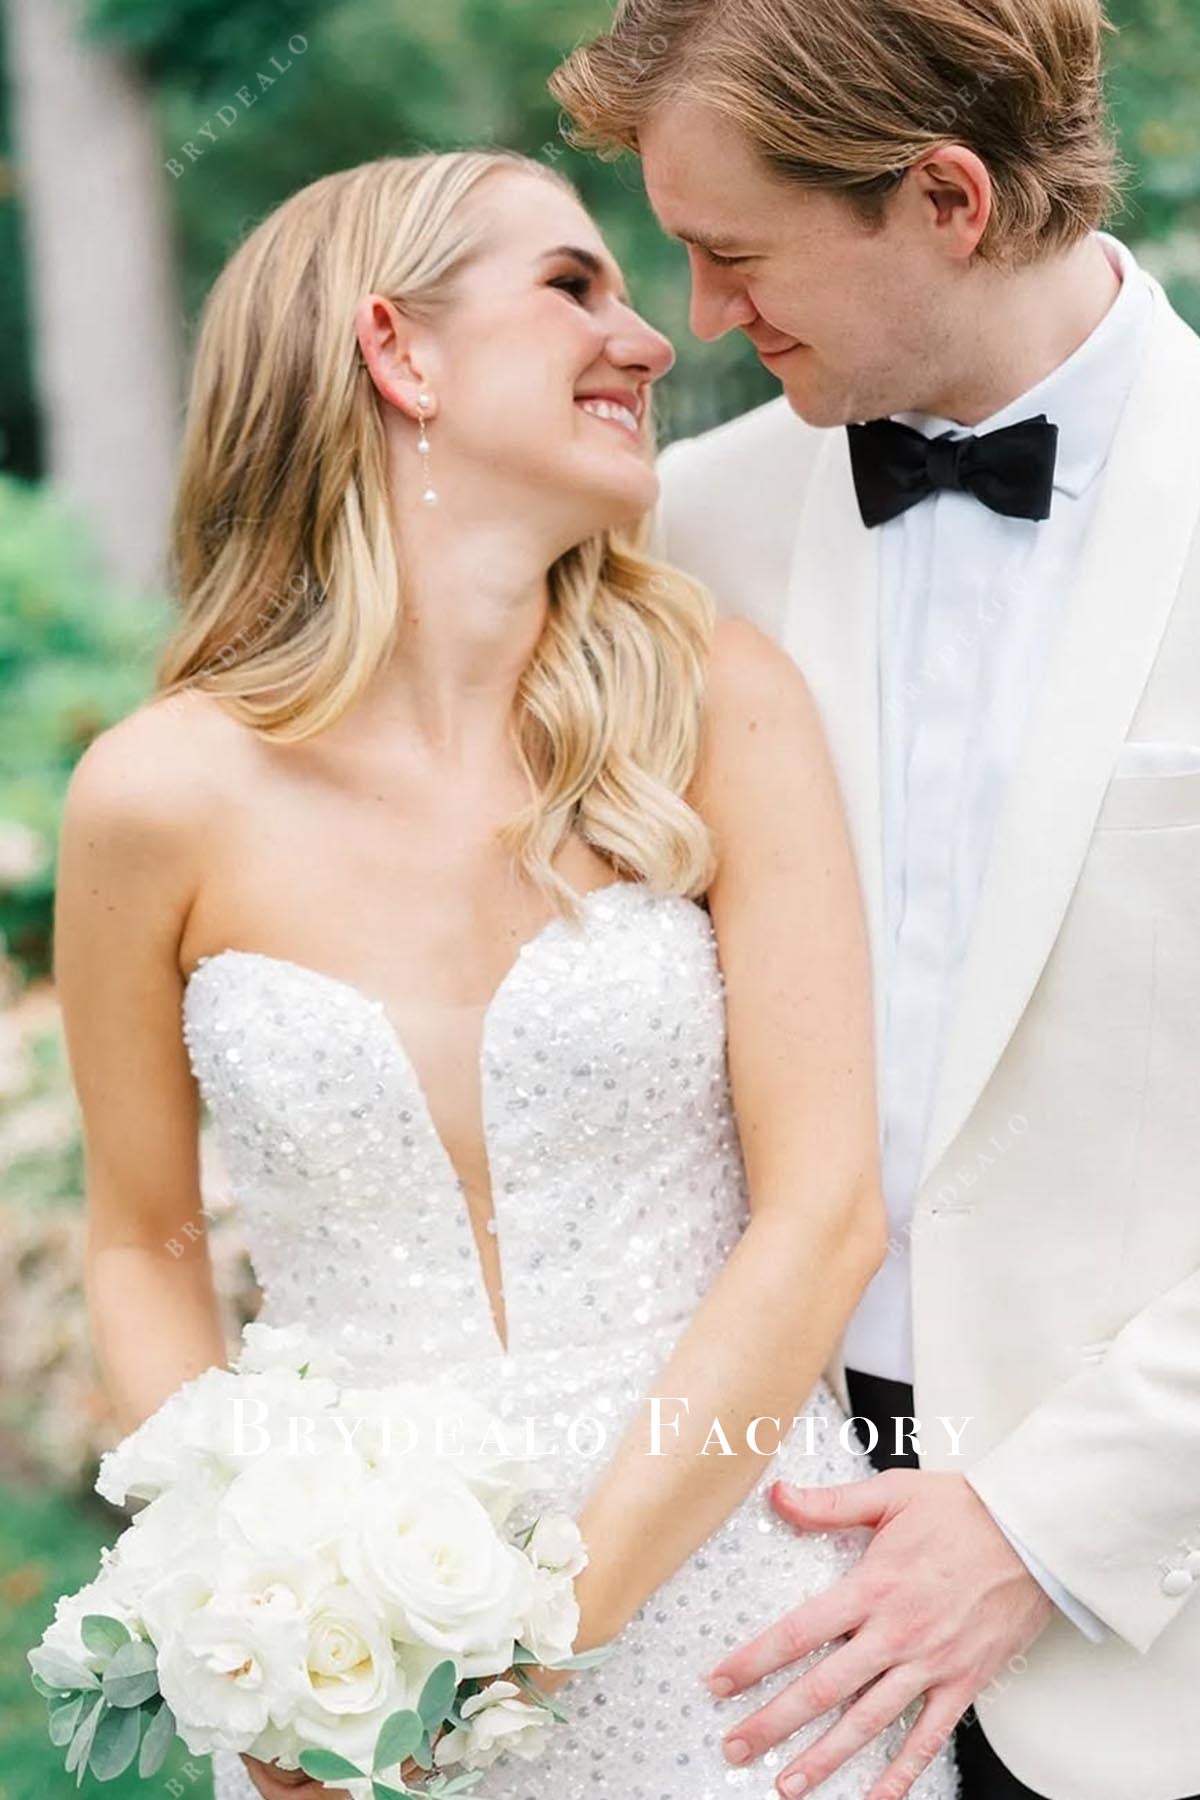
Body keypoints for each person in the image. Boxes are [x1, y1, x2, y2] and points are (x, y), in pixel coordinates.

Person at [53, 152, 960, 1800]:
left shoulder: (715, 702)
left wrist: (526, 1648)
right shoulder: (155, 798)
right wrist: (247, 1600)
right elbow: (140, 1240)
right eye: (572, 287)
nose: (651, 338)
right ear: (397, 349)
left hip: (745, 1641)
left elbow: (824, 1213)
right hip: (347, 1696)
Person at [550, 3, 1200, 1798]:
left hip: (1154, 1631)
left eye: (737, 253)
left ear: (948, 199)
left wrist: (1050, 1519)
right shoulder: (679, 533)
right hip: (737, 1615)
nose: (697, 318)